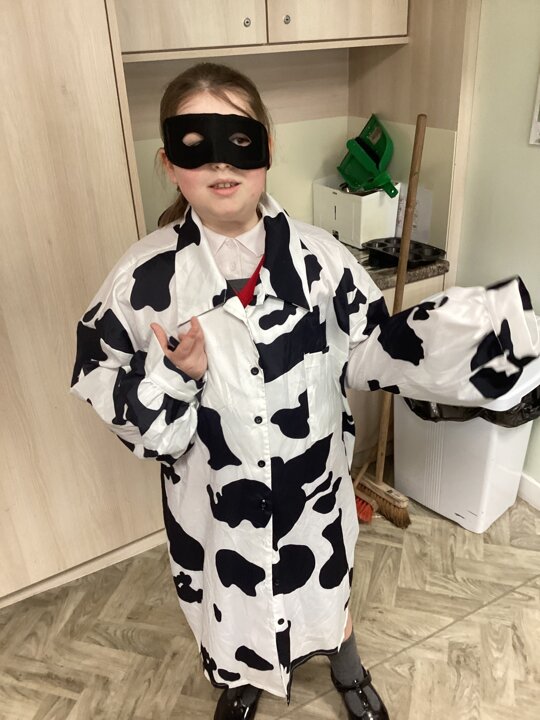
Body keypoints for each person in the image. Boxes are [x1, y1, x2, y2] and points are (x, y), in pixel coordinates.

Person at [71, 62, 539, 720]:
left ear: (266, 147)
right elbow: (128, 410)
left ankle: (346, 663)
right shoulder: (141, 282)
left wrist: (487, 340)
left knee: (324, 585)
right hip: (216, 506)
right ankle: (242, 675)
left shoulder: (323, 261)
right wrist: (176, 376)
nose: (219, 162)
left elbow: (377, 349)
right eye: (194, 145)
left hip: (312, 493)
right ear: (170, 163)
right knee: (232, 602)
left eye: (238, 139)